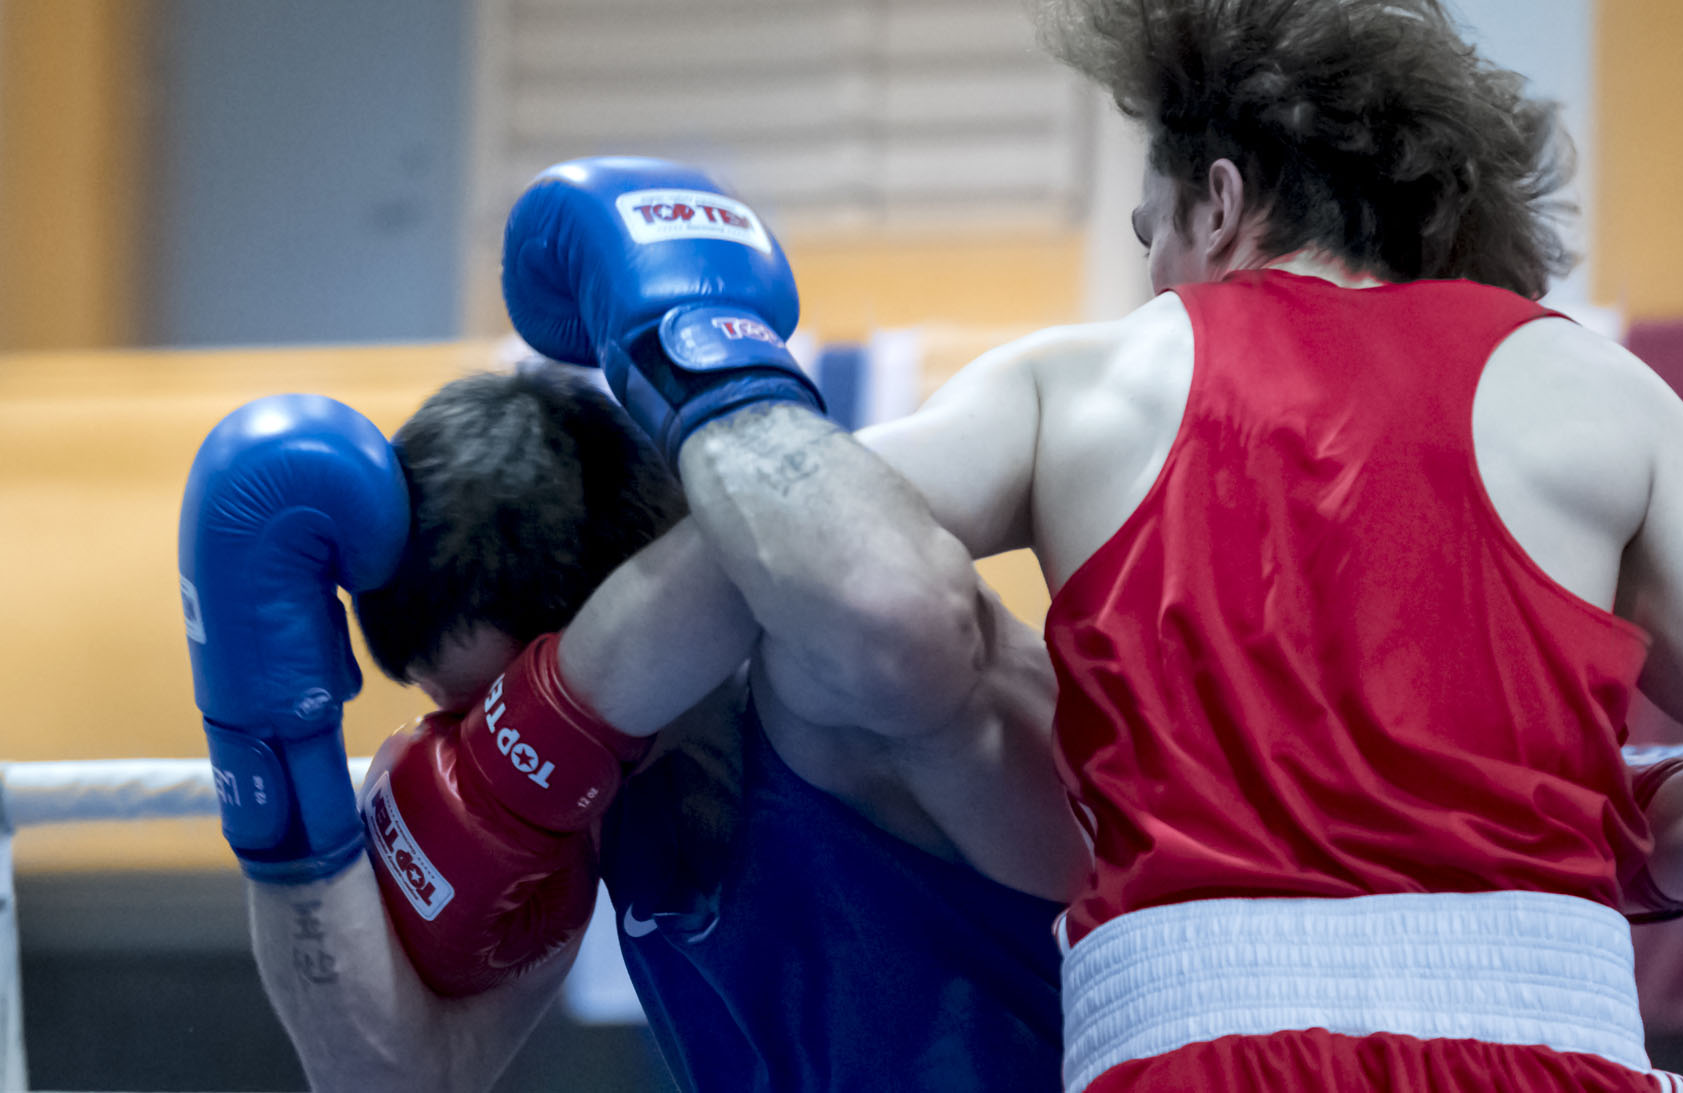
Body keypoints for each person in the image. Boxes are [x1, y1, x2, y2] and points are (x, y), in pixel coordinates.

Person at [499, 0, 1683, 1092]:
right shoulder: (1600, 393)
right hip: (1557, 1043)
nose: (1153, 276)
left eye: (1149, 233)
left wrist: (525, 741)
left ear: (1219, 203)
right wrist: (1599, 843)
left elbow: (806, 548)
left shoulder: (1083, 382)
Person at [177, 367, 1083, 1093]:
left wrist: (690, 353)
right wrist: (276, 779)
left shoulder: (833, 693)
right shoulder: (589, 808)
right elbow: (400, 1078)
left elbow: (894, 618)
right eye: (461, 716)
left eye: (499, 702)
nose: (484, 748)